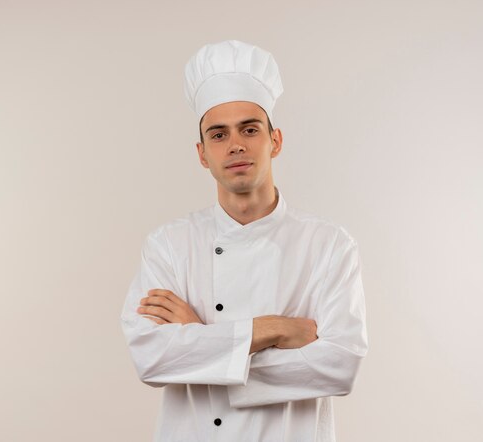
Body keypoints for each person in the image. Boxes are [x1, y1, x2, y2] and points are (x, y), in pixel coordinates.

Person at [121, 40, 368, 442]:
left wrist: (201, 340)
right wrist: (273, 328)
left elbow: (340, 365)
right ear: (202, 154)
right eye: (218, 134)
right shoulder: (168, 245)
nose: (235, 144)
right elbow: (151, 358)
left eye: (249, 129)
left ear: (276, 140)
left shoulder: (328, 245)